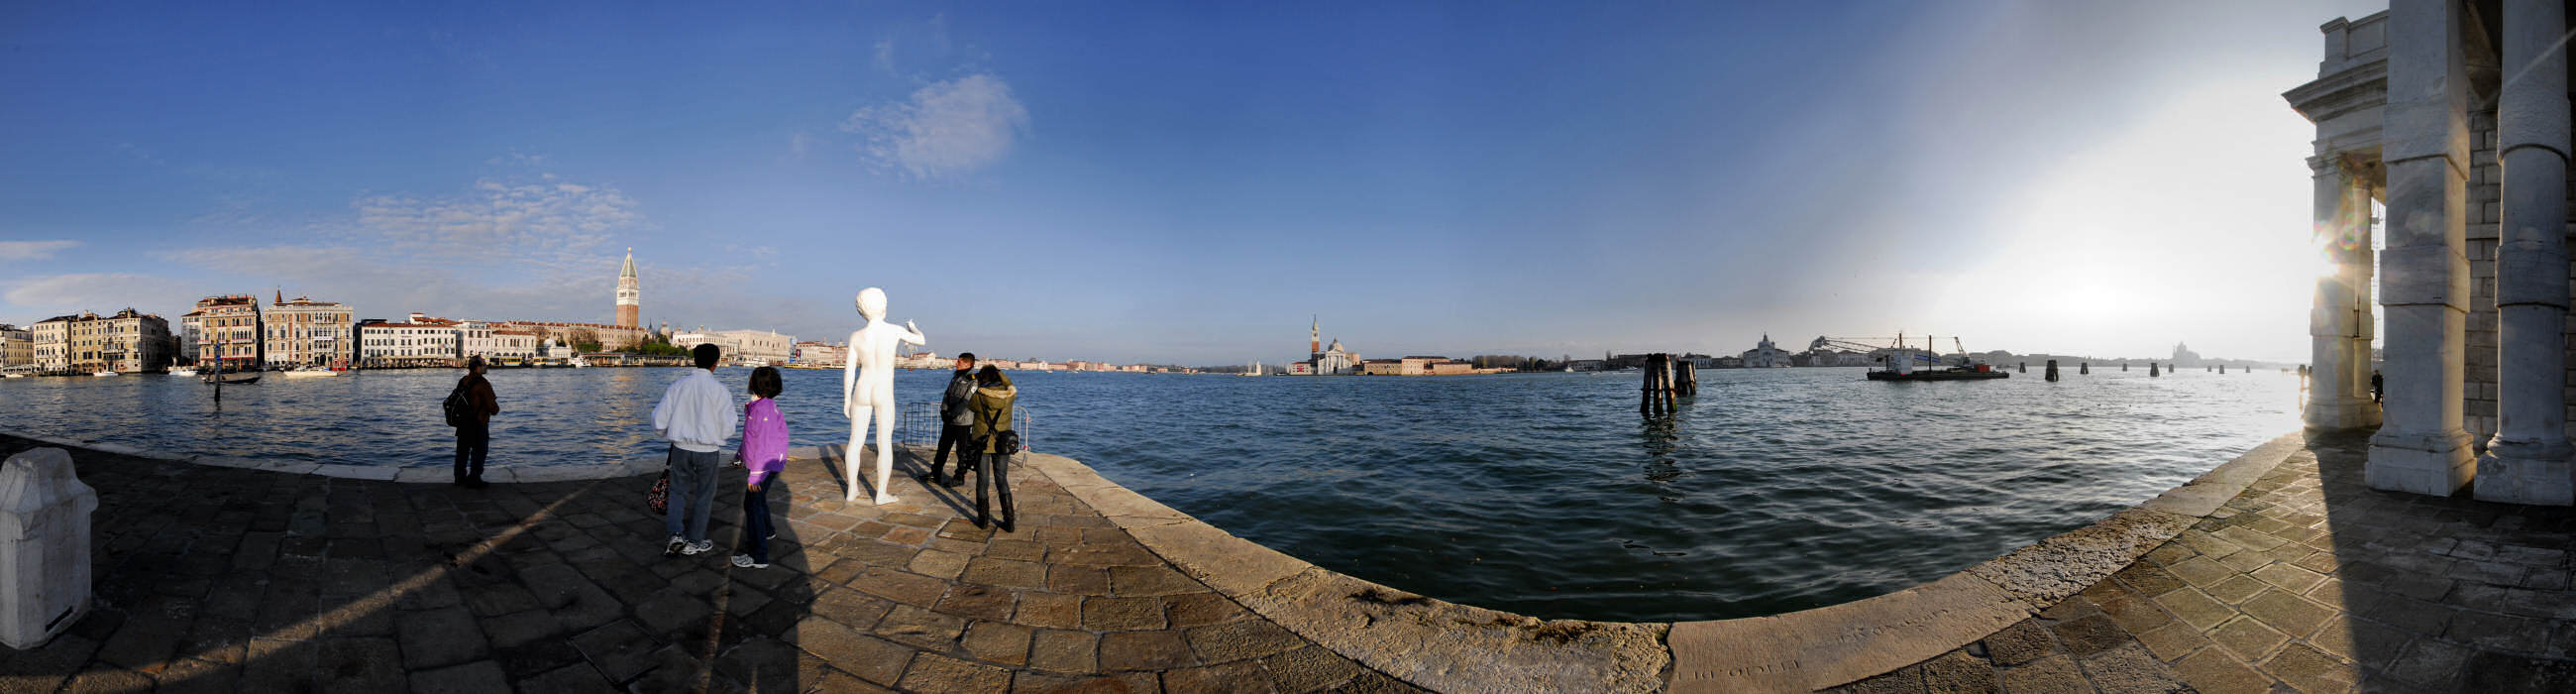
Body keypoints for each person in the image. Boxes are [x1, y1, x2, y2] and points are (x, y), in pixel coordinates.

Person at [653, 343, 738, 557]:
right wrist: (716, 437)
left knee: (678, 492)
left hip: (680, 448)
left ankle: (675, 535)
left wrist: (669, 434)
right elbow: (729, 426)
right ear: (715, 363)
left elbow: (659, 419)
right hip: (708, 451)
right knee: (704, 495)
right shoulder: (720, 391)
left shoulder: (678, 386)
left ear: (694, 360)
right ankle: (695, 540)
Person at [732, 366, 788, 569]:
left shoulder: (762, 412)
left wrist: (755, 476)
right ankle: (767, 530)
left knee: (752, 506)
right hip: (764, 464)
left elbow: (764, 445)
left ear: (753, 384)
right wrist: (740, 455)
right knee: (758, 501)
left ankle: (758, 555)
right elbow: (750, 438)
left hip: (762, 466)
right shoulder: (762, 407)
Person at [967, 365, 1020, 531]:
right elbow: (1010, 384)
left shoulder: (978, 396)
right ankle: (1009, 522)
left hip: (982, 443)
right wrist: (1000, 373)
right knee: (1001, 479)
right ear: (998, 377)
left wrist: (976, 381)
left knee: (982, 481)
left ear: (983, 378)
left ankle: (983, 520)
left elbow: (970, 407)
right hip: (1002, 443)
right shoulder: (1009, 396)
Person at [925, 352, 979, 487]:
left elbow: (966, 401)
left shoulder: (973, 380)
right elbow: (947, 395)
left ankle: (959, 476)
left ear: (968, 364)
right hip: (949, 420)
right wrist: (944, 410)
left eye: (959, 362)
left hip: (963, 421)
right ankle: (935, 473)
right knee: (942, 448)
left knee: (962, 450)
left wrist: (952, 414)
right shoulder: (956, 377)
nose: (956, 363)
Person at [454, 356, 499, 488]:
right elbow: (493, 407)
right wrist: (496, 409)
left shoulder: (463, 380)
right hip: (479, 423)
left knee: (462, 451)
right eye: (484, 364)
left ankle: (459, 477)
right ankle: (474, 479)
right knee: (479, 451)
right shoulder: (483, 384)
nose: (486, 366)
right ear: (477, 367)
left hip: (463, 423)